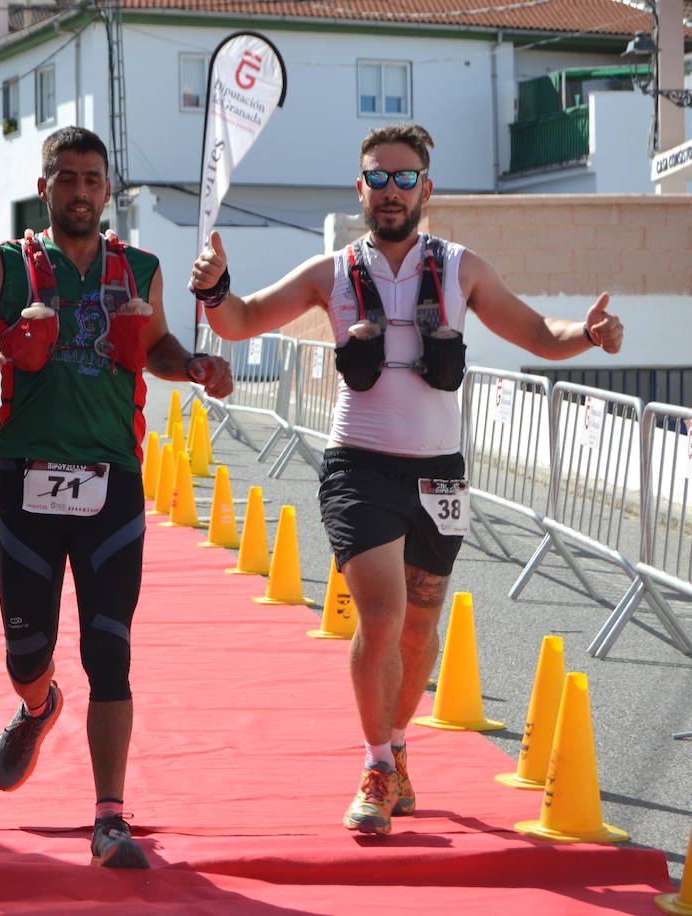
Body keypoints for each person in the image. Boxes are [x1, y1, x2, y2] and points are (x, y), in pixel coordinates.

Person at [187, 123, 624, 836]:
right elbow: (240, 322)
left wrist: (589, 333)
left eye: (403, 177)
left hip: (440, 477)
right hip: (358, 466)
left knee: (420, 629)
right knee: (383, 618)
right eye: (377, 178)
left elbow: (541, 333)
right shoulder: (330, 272)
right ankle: (376, 766)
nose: (390, 191)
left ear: (426, 186)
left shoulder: (462, 268)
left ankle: (395, 746)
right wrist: (213, 288)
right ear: (359, 189)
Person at [0, 125, 233, 868]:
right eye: (66, 178)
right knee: (26, 653)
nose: (80, 191)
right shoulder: (6, 268)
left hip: (112, 484)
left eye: (92, 180)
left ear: (106, 191)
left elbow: (156, 347)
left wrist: (192, 363)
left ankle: (109, 818)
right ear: (45, 188)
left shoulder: (140, 269)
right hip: (27, 481)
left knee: (111, 651)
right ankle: (38, 706)